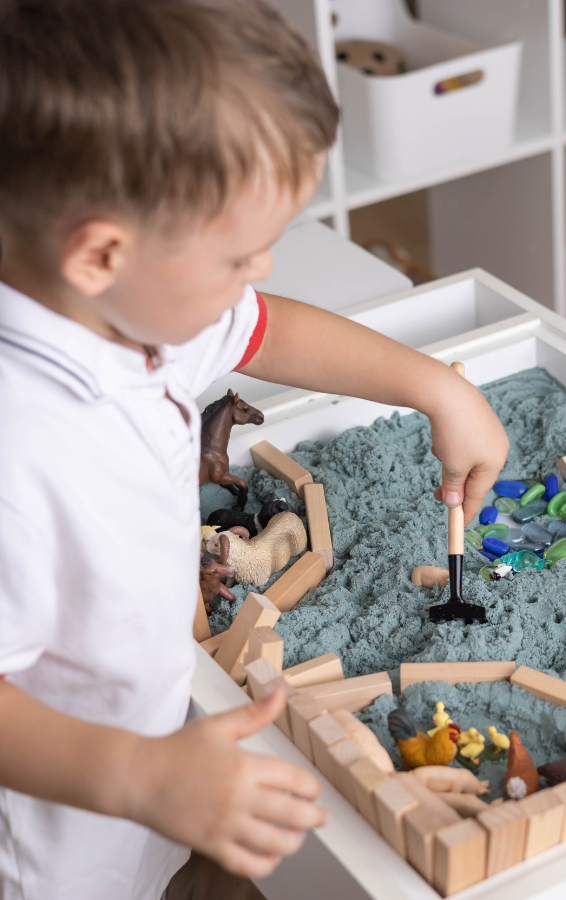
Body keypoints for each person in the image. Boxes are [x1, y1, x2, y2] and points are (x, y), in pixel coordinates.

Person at [0, 2, 510, 898]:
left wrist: (438, 387)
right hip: (67, 849)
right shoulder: (23, 451)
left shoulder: (129, 312)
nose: (260, 274)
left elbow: (262, 332)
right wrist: (138, 778)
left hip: (173, 768)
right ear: (100, 255)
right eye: (239, 256)